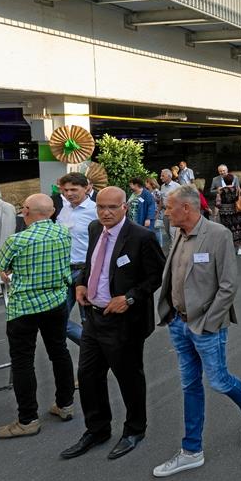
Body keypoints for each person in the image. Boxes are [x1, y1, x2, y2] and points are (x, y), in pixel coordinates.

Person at [153, 185, 241, 477]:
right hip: (178, 323)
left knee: (218, 380)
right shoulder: (177, 233)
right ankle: (192, 451)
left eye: (169, 208)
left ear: (186, 209)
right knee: (190, 384)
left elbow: (228, 286)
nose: (165, 212)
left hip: (206, 326)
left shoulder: (218, 235)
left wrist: (208, 323)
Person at [60, 187, 165, 461]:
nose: (105, 213)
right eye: (101, 207)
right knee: (88, 375)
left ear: (124, 208)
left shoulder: (142, 237)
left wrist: (129, 298)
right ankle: (97, 429)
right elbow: (90, 262)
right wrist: (81, 284)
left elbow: (156, 276)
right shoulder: (96, 229)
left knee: (128, 377)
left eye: (112, 208)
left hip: (125, 321)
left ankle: (134, 429)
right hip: (94, 317)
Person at [0, 194, 75, 439]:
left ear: (27, 210)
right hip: (56, 301)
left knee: (23, 361)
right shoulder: (63, 233)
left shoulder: (17, 240)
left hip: (24, 308)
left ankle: (28, 419)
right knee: (59, 351)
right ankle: (65, 404)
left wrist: (8, 269)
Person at [56, 172, 98, 346]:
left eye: (74, 189)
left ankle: (93, 353)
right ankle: (93, 346)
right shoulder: (65, 209)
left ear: (86, 188)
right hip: (65, 272)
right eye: (65, 190)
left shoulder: (96, 210)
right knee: (58, 321)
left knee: (88, 320)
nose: (69, 193)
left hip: (86, 272)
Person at [214, 173, 241, 257]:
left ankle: (229, 248)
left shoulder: (220, 191)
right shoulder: (237, 189)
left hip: (225, 213)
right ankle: (239, 248)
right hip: (237, 212)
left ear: (224, 181)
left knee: (227, 230)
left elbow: (218, 203)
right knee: (238, 228)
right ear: (233, 180)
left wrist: (215, 215)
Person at [158, 169, 182, 248]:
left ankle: (173, 250)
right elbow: (161, 200)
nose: (161, 177)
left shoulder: (177, 186)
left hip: (174, 212)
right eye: (161, 175)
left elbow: (182, 199)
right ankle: (175, 246)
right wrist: (158, 211)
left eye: (162, 176)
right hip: (165, 212)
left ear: (169, 176)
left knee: (173, 232)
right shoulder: (162, 186)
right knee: (167, 231)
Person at [144, 177, 165, 248]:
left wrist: (157, 213)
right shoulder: (147, 192)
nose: (145, 184)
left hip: (156, 213)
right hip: (150, 213)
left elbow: (160, 203)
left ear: (151, 183)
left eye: (146, 182)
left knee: (157, 229)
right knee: (151, 229)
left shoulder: (156, 191)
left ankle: (159, 245)